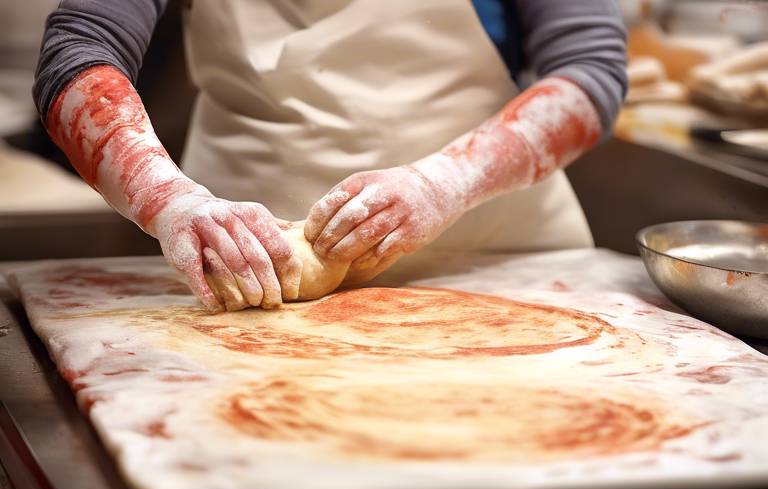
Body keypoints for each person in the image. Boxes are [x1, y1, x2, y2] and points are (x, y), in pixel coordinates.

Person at [33, 0, 627, 313]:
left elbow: (590, 72)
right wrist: (169, 199)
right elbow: (78, 49)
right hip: (248, 269)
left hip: (496, 260)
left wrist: (443, 183)